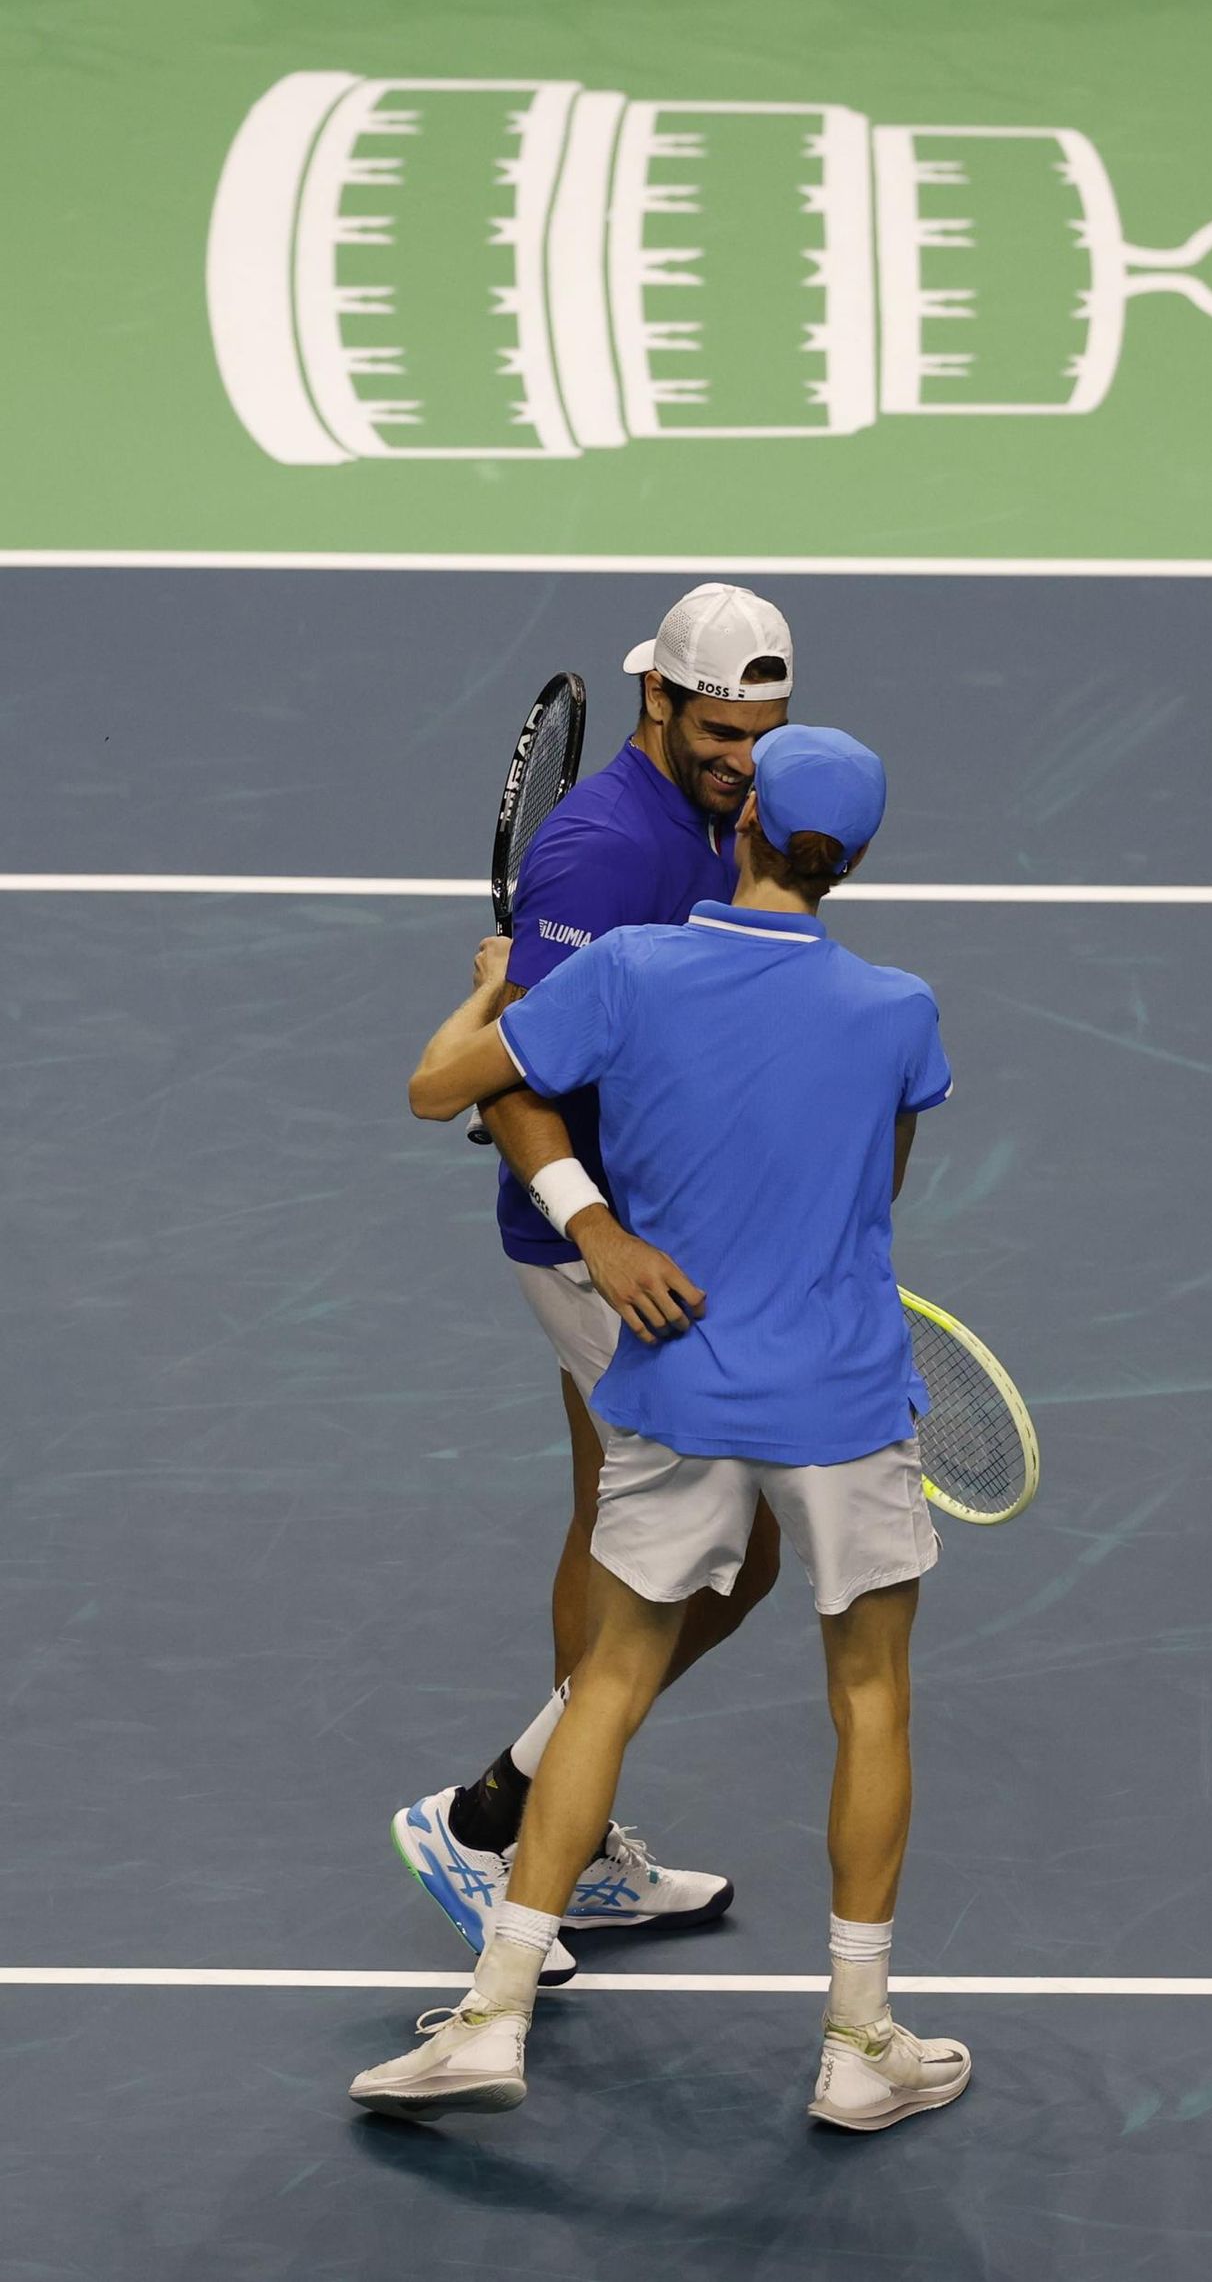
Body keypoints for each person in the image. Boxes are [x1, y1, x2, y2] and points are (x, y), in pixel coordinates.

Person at [352, 725, 971, 2132]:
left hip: (679, 1385)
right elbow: (877, 1195)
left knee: (610, 1686)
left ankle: (494, 2014)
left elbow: (441, 1088)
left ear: (740, 819)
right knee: (869, 1699)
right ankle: (858, 2041)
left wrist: (498, 992)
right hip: (842, 1399)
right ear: (854, 861)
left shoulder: (626, 973)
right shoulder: (899, 1012)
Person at [394, 585, 795, 1975]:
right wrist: (600, 1233)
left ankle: (564, 1830)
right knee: (726, 1558)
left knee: (618, 1528)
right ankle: (493, 1819)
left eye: (764, 730)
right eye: (722, 730)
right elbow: (502, 1087)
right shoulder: (599, 855)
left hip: (665, 1233)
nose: (746, 756)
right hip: (599, 1258)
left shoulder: (711, 815)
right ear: (658, 706)